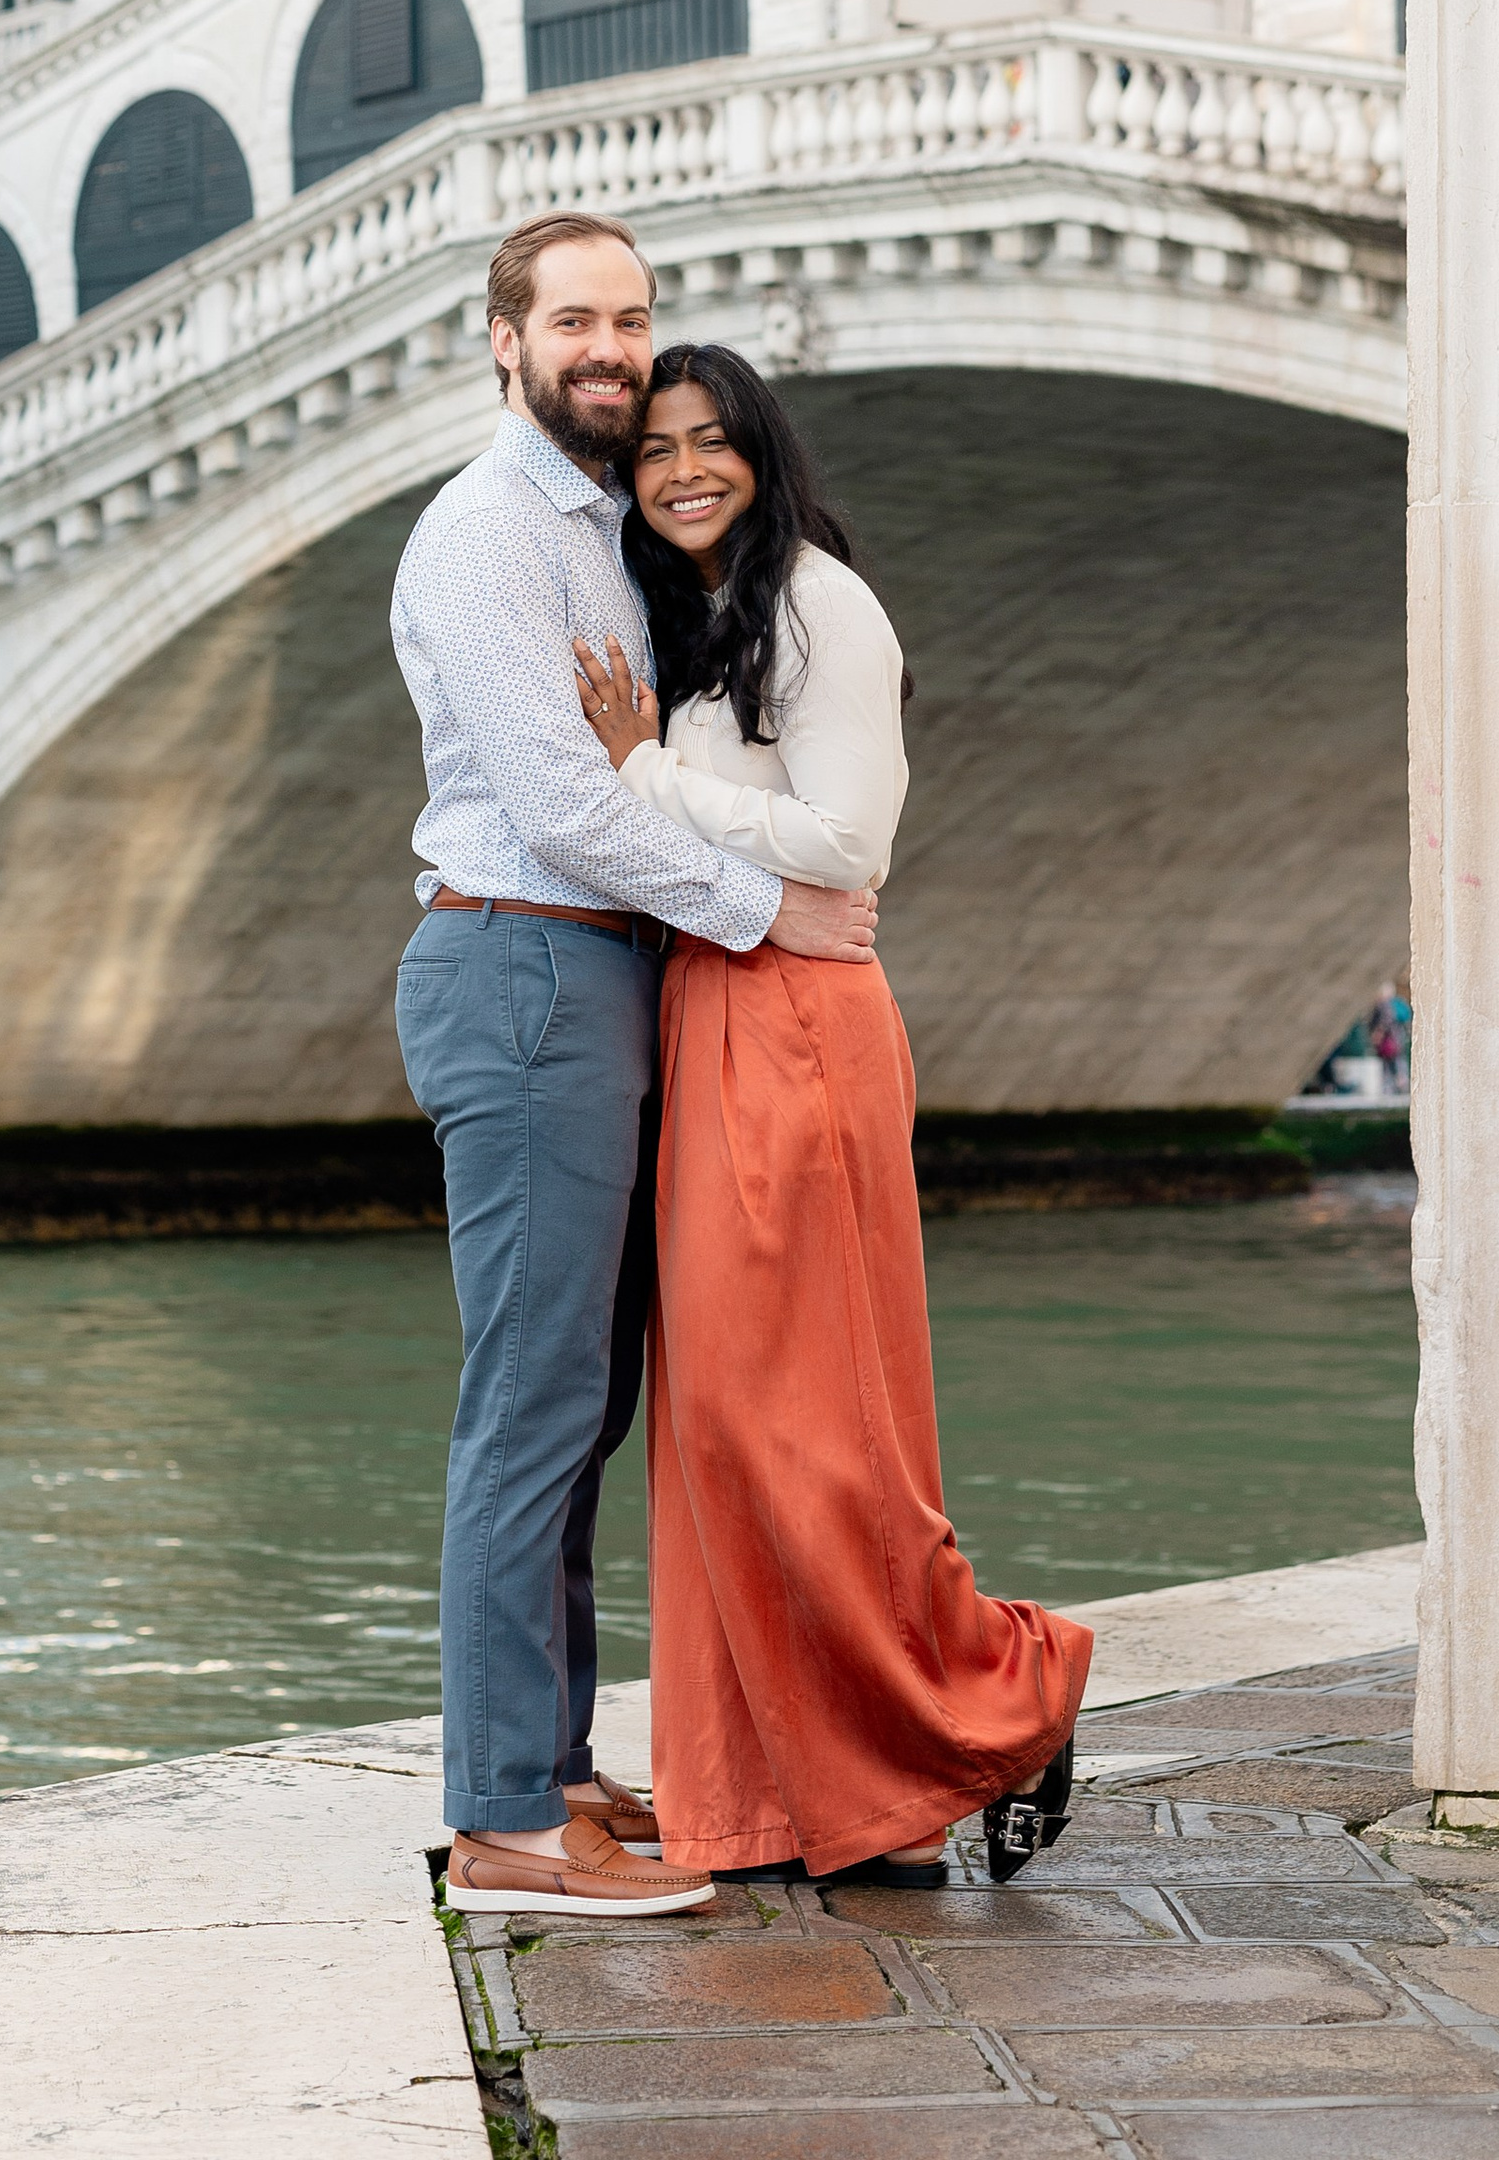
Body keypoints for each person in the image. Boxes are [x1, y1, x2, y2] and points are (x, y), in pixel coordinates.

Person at [391, 214, 883, 1920]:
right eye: (576, 323)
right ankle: (506, 1822)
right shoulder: (484, 539)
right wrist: (770, 910)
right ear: (504, 343)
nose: (612, 350)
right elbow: (561, 805)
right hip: (524, 963)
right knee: (529, 1406)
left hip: (599, 980)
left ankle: (554, 1758)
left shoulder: (603, 530)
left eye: (634, 319)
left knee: (584, 1406)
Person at [571, 341, 1091, 1886]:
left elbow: (847, 844)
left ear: (763, 449)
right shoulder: (706, 609)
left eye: (711, 440)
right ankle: (783, 1797)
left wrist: (647, 775)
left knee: (808, 1430)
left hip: (797, 1030)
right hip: (715, 1008)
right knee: (723, 1433)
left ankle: (1003, 1695)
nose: (681, 470)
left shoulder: (816, 604)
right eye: (656, 447)